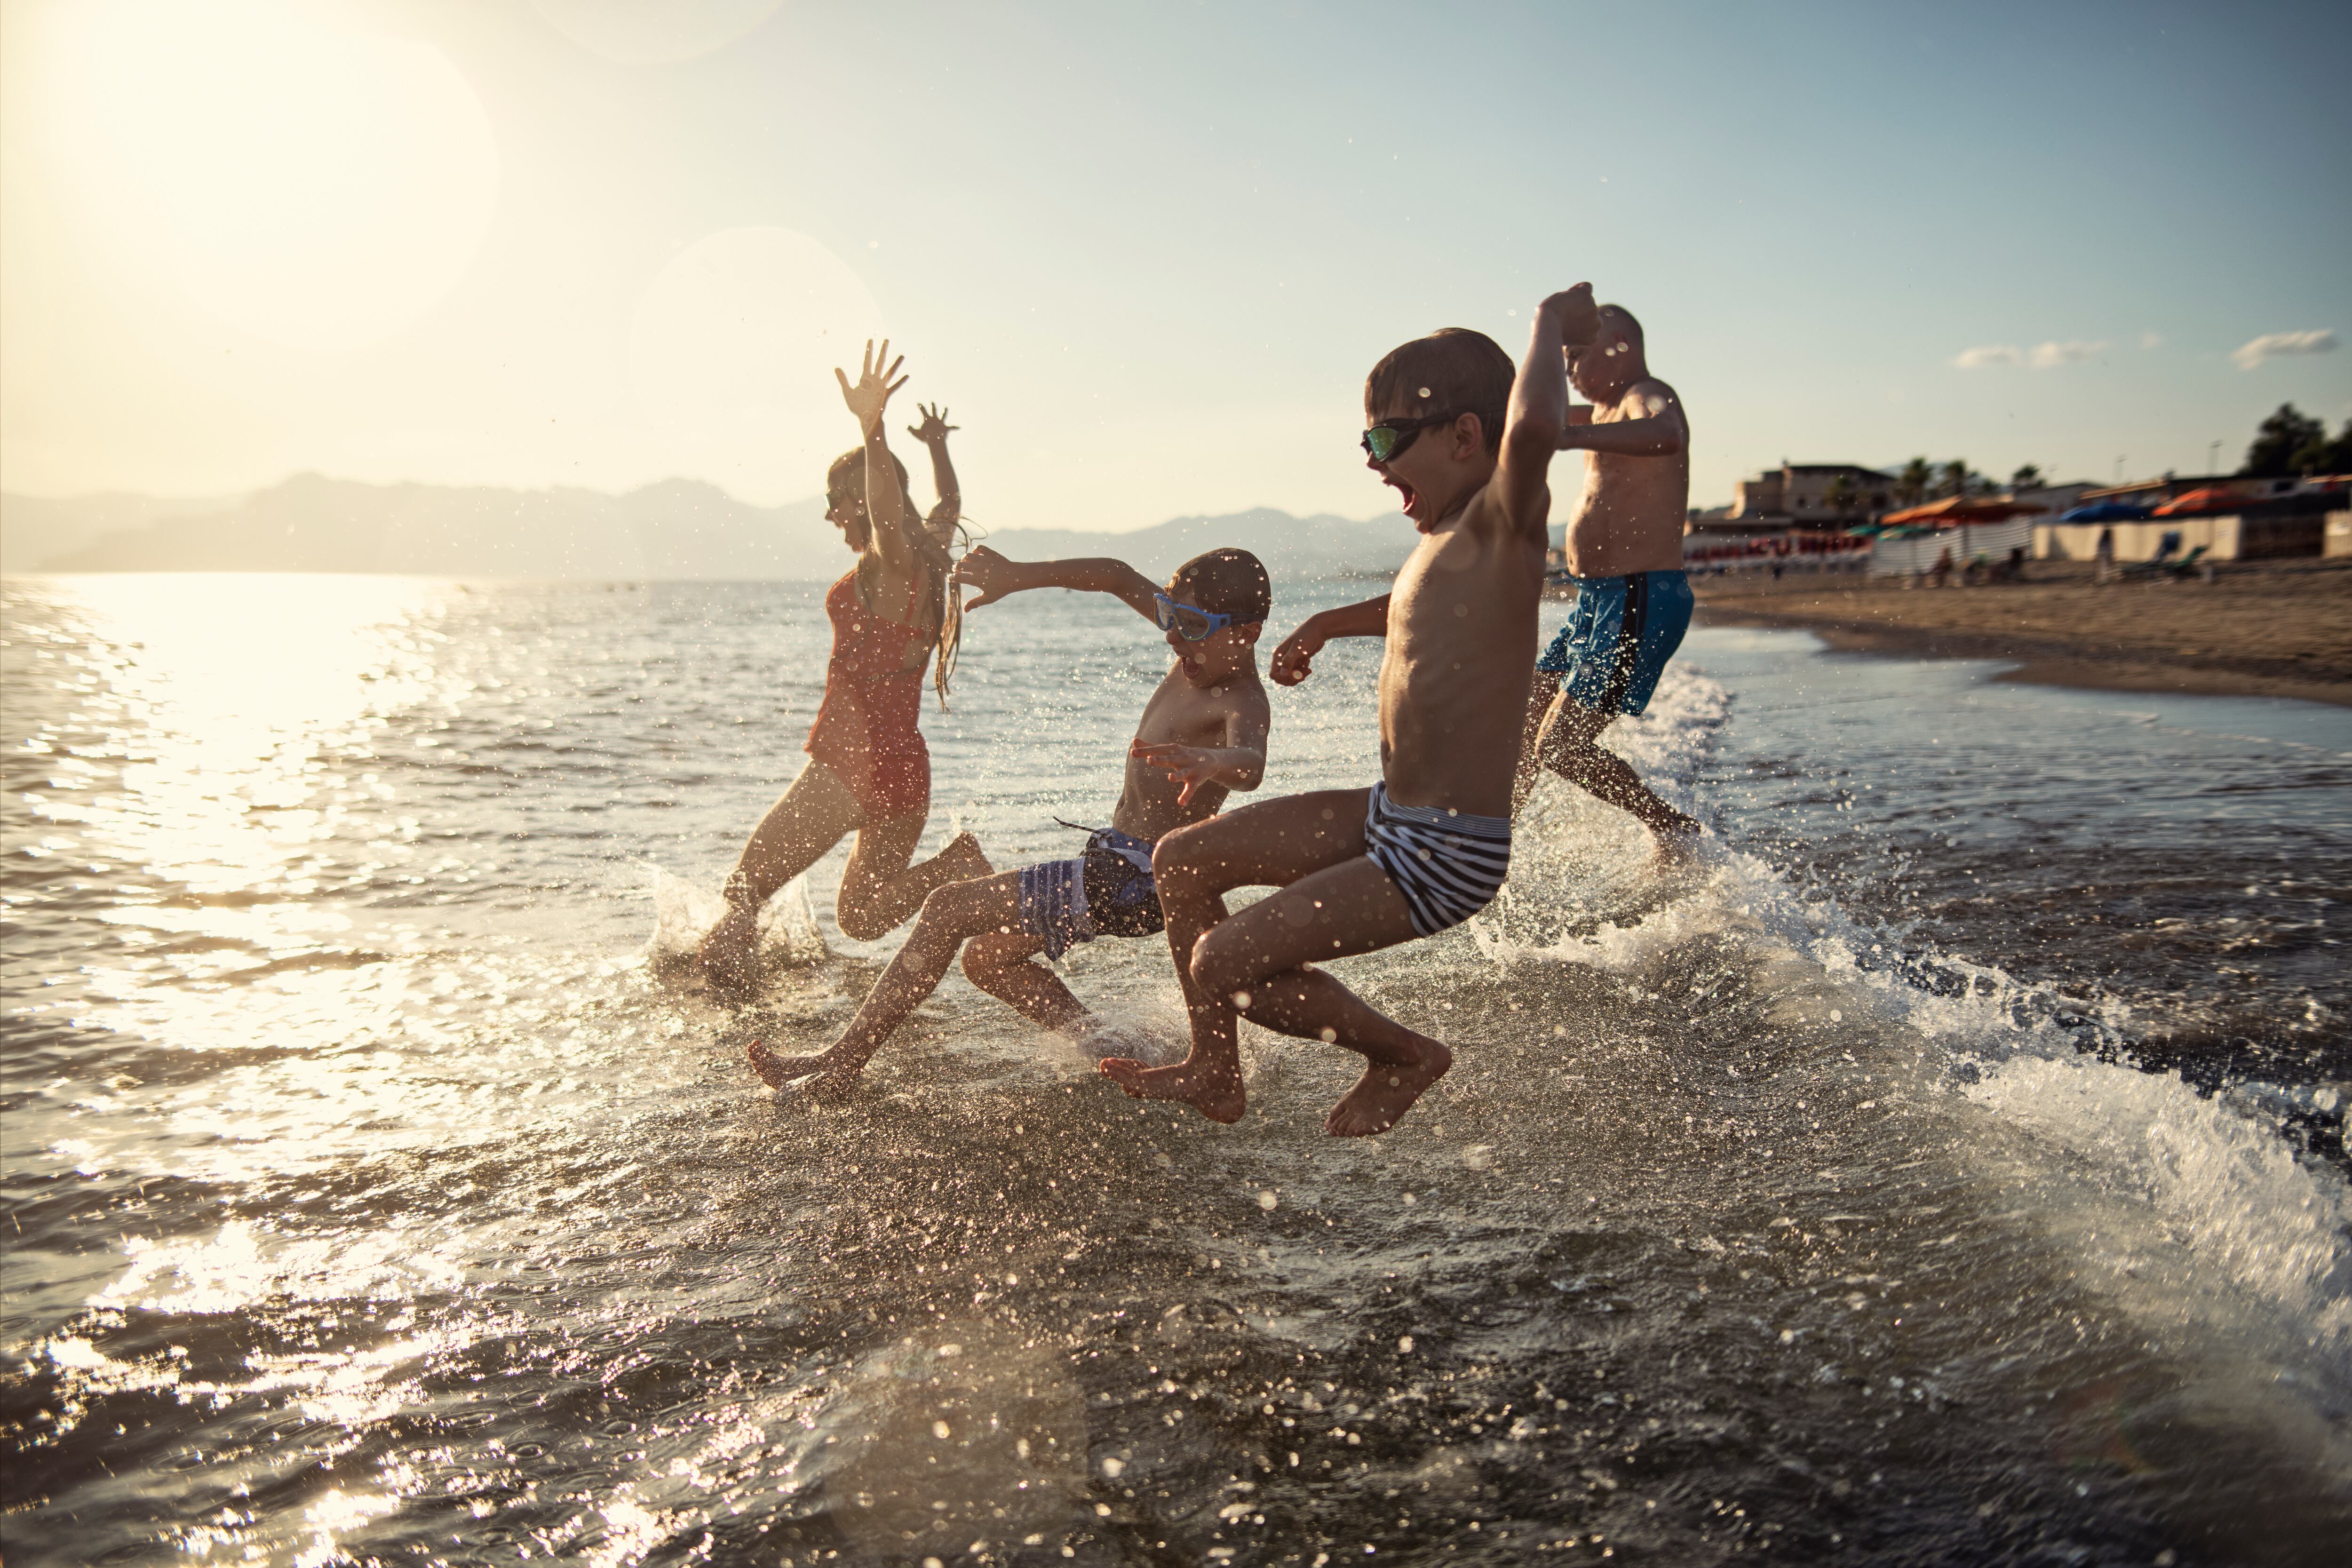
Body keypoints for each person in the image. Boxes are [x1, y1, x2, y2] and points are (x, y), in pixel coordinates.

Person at [1099, 289, 1598, 1137]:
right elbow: (1418, 613)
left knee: (1224, 960)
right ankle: (1214, 1066)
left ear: (1467, 437)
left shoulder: (1506, 521)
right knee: (1178, 860)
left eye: (1384, 438)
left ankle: (1403, 1053)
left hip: (1446, 851)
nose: (1370, 461)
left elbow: (1540, 428)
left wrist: (1551, 321)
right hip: (1390, 815)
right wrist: (1329, 623)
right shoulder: (1445, 541)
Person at [746, 545, 1272, 1097]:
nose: (1172, 636)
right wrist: (1018, 576)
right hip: (1115, 867)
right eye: (1168, 618)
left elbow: (1252, 765)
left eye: (1189, 625)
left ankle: (842, 1062)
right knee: (987, 960)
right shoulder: (1198, 652)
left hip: (1133, 878)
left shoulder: (1241, 698)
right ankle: (1112, 1056)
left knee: (946, 907)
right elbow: (1114, 575)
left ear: (1248, 633)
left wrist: (1215, 762)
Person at [1272, 303, 1699, 852]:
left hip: (1641, 594)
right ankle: (1489, 839)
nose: (1567, 369)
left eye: (1577, 355)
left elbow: (1668, 433)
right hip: (1597, 600)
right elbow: (1516, 413)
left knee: (1560, 747)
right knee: (1523, 731)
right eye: (1563, 360)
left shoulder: (1643, 395)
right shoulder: (1602, 411)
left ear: (1619, 346)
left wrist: (1562, 437)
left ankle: (1670, 827)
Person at [699, 342, 990, 996]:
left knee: (742, 894)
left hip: (852, 763)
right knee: (860, 917)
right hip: (904, 763)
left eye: (838, 501)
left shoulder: (890, 567)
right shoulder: (930, 556)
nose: (833, 515)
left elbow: (888, 510)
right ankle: (959, 863)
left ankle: (722, 1030)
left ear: (862, 499)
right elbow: (948, 501)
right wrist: (939, 444)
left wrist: (874, 427)